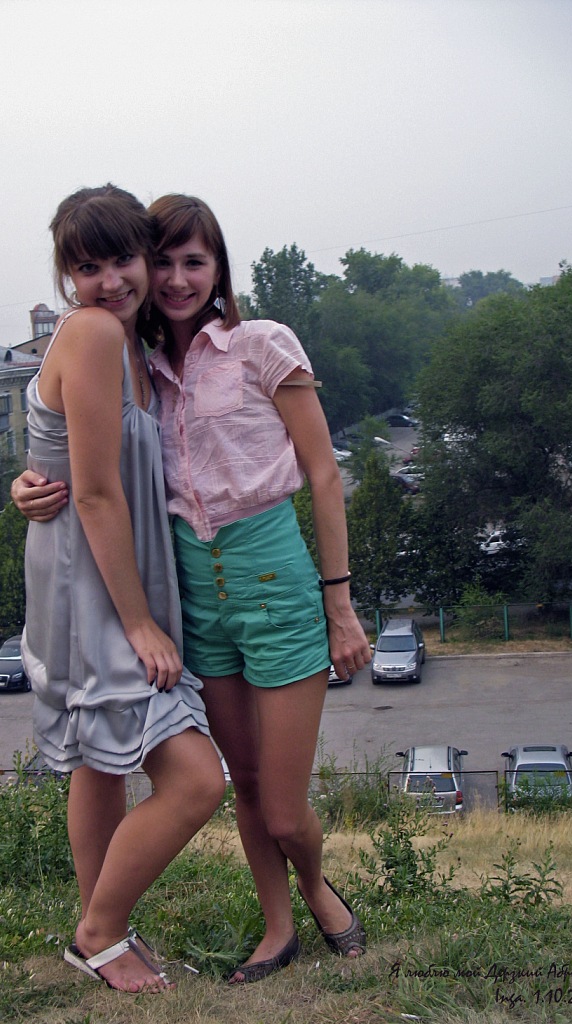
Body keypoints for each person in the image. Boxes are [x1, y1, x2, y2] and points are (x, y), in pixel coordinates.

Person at [14, 192, 373, 984]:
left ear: (218, 269)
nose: (163, 279)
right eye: (92, 266)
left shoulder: (231, 347)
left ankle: (309, 890)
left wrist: (338, 602)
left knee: (266, 802)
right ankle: (229, 930)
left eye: (189, 262)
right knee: (218, 780)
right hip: (153, 593)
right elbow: (83, 468)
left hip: (245, 582)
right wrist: (31, 488)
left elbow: (323, 474)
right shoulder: (122, 346)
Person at [16, 185, 225, 993]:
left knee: (99, 766)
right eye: (87, 268)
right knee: (195, 780)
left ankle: (101, 935)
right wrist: (141, 625)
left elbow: (62, 457)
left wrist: (26, 483)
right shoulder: (95, 333)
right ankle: (99, 930)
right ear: (67, 277)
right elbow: (97, 493)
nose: (110, 282)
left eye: (121, 260)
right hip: (93, 589)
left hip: (95, 570)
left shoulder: (132, 343)